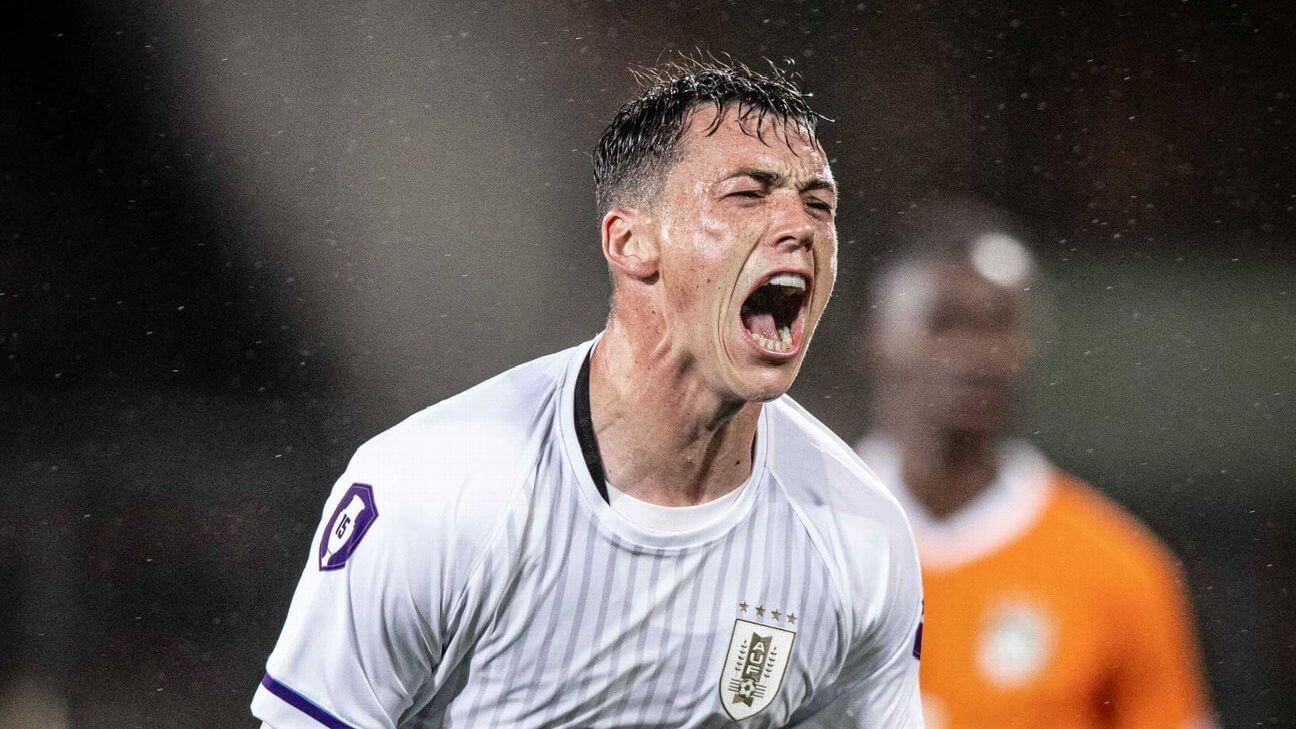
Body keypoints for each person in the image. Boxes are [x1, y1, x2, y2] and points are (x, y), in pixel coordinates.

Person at [252, 59, 925, 728]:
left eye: (819, 204)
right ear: (630, 242)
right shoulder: (435, 490)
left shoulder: (859, 536)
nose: (799, 227)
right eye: (748, 194)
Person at [854, 198, 1214, 729]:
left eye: (1000, 326)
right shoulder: (794, 535)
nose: (975, 355)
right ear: (877, 339)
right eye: (944, 324)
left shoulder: (1118, 566)